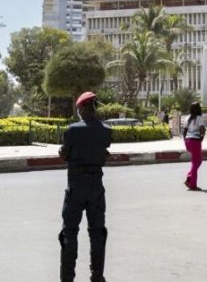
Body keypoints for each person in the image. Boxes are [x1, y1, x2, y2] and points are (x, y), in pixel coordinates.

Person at [58, 91, 113, 282]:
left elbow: (64, 154)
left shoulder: (72, 130)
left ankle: (67, 278)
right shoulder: (106, 130)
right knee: (97, 233)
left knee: (69, 233)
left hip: (75, 187)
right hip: (96, 187)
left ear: (81, 108)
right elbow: (104, 152)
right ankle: (97, 276)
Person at [183, 101, 206, 191]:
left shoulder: (187, 117)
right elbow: (202, 129)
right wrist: (201, 138)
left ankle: (190, 178)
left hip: (188, 141)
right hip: (195, 141)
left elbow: (184, 130)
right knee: (196, 162)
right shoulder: (199, 118)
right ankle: (192, 184)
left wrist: (185, 140)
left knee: (195, 162)